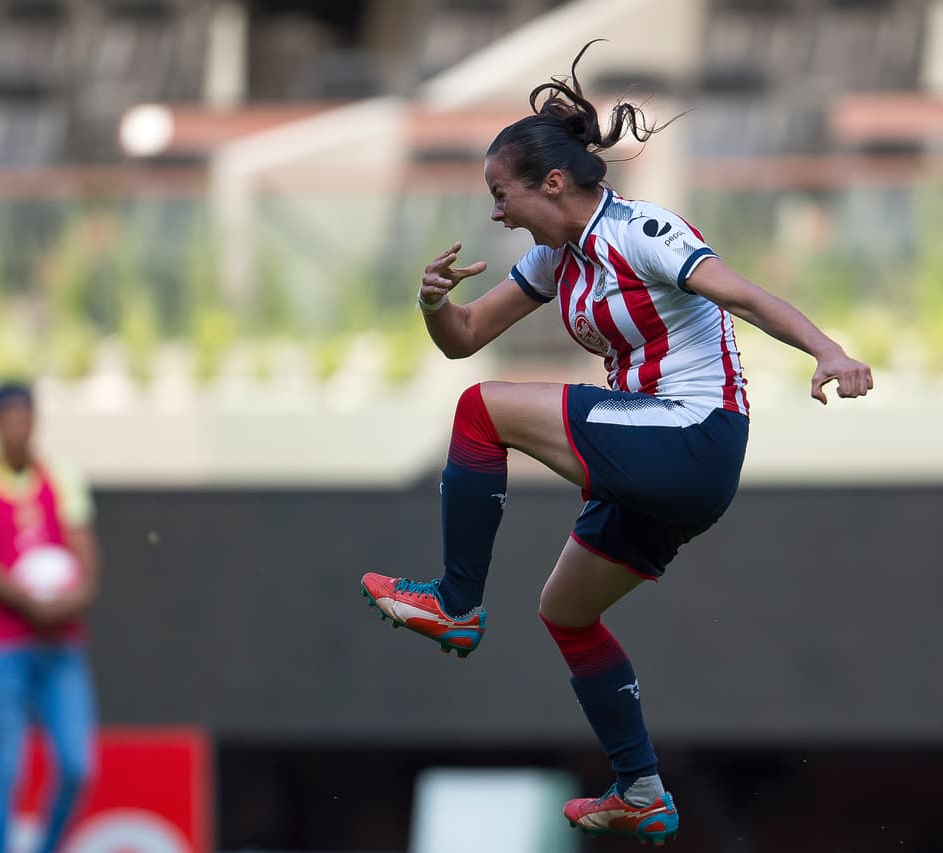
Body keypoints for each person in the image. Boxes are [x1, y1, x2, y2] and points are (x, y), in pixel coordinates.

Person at [359, 42, 872, 846]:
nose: (495, 212)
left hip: (693, 437)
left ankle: (455, 602)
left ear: (552, 184)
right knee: (565, 612)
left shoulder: (639, 231)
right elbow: (464, 338)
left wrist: (829, 352)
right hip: (663, 450)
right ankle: (641, 789)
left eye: (502, 195)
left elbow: (744, 293)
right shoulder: (555, 256)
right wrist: (431, 305)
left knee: (478, 413)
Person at [0, 380, 101, 853]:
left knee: (77, 763)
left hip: (59, 644)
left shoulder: (60, 477)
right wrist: (27, 602)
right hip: (0, 645)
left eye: (25, 416)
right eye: (8, 418)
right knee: (8, 766)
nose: (18, 427)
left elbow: (82, 546)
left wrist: (80, 593)